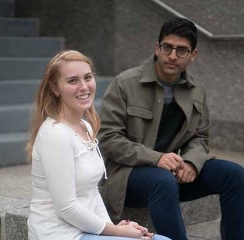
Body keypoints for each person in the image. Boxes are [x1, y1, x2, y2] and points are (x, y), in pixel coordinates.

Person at [98, 17, 244, 240]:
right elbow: (108, 138)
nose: (172, 56)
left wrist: (191, 161)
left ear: (193, 55)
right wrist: (157, 158)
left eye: (182, 50)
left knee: (233, 173)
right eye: (167, 47)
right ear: (157, 48)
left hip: (171, 175)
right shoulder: (126, 83)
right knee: (163, 180)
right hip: (127, 177)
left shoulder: (196, 89)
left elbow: (200, 136)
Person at [25, 50, 171, 240]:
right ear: (55, 88)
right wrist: (118, 232)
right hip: (59, 234)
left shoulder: (84, 125)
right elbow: (67, 207)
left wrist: (115, 229)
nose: (84, 86)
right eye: (72, 81)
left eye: (87, 77)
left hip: (85, 230)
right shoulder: (56, 135)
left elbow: (92, 191)